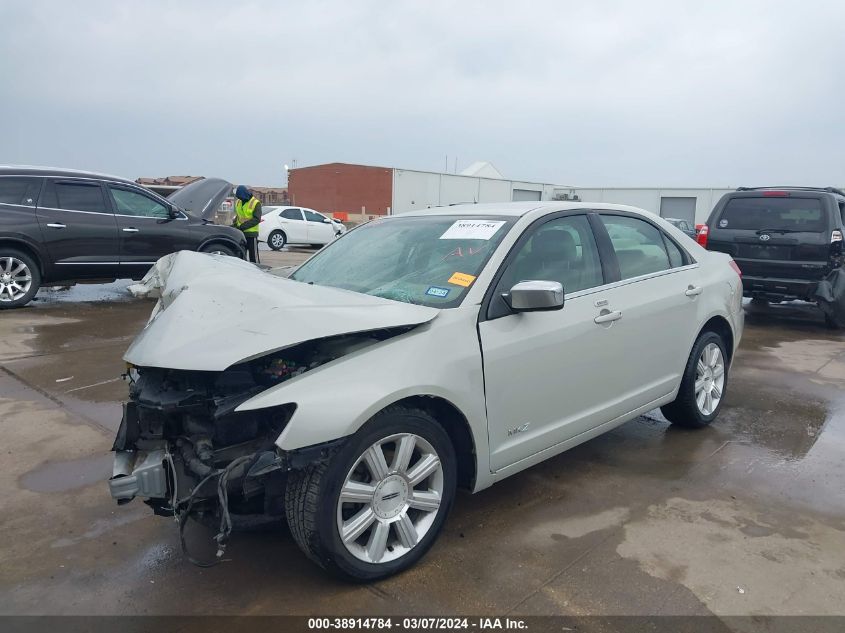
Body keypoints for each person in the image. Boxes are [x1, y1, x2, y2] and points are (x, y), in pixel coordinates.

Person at [232, 185, 262, 263]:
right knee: (241, 256)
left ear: (245, 194)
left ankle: (256, 273)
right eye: (239, 197)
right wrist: (234, 225)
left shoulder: (255, 203)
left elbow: (256, 219)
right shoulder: (238, 202)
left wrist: (242, 227)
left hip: (251, 234)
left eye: (241, 197)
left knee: (253, 258)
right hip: (241, 234)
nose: (240, 199)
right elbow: (238, 216)